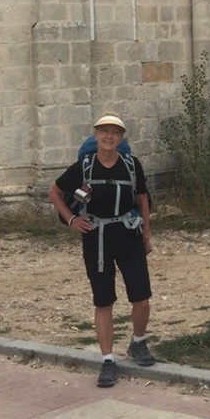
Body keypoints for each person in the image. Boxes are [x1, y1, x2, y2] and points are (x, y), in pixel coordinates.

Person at [49, 113, 156, 387]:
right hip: (96, 239)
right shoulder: (83, 167)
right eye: (104, 132)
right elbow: (55, 191)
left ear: (121, 138)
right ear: (96, 135)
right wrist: (72, 219)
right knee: (104, 300)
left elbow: (142, 199)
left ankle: (138, 342)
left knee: (141, 295)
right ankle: (108, 360)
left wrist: (146, 235)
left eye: (115, 133)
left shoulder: (131, 165)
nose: (109, 137)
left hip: (129, 235)